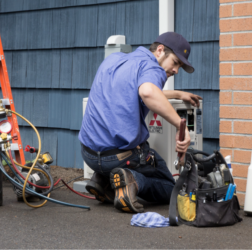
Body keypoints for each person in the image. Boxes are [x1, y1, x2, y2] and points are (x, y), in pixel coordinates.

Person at [78, 32, 202, 213]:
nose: (176, 70)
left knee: (120, 157)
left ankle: (102, 181)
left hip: (89, 155)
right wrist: (179, 125)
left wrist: (176, 94)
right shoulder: (153, 68)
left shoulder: (115, 60)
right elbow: (147, 92)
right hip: (119, 158)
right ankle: (131, 180)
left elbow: (135, 88)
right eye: (175, 62)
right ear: (160, 50)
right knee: (171, 187)